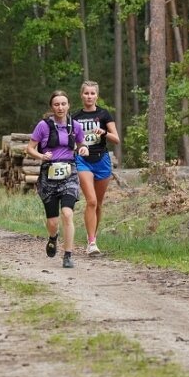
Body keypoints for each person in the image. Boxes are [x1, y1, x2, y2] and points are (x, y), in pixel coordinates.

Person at [25, 90, 89, 268]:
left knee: (67, 213)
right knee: (53, 222)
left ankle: (68, 255)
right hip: (48, 174)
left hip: (69, 172)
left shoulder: (75, 125)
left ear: (68, 105)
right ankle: (53, 237)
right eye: (56, 104)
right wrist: (41, 156)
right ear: (51, 107)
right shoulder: (43, 126)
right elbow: (30, 148)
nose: (60, 107)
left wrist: (83, 149)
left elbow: (82, 144)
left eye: (63, 104)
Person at [72, 80, 120, 256]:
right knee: (91, 200)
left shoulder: (104, 114)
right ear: (81, 95)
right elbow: (71, 141)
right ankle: (92, 243)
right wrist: (78, 147)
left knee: (98, 203)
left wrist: (104, 133)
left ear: (97, 96)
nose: (89, 96)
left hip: (102, 161)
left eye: (92, 93)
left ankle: (92, 236)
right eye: (86, 93)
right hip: (83, 161)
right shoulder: (75, 118)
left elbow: (116, 139)